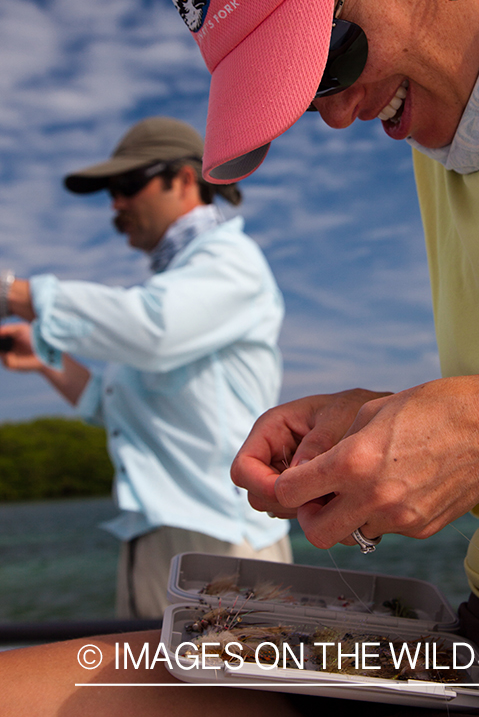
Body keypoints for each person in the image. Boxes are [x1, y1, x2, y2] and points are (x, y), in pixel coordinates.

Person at [2, 0, 479, 715]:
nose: (332, 113)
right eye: (300, 88)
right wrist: (398, 419)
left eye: (328, 54)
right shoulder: (440, 139)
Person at [0, 116, 290, 619]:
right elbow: (112, 406)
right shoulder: (181, 283)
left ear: (182, 178)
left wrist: (15, 294)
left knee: (225, 702)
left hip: (223, 548)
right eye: (111, 190)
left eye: (127, 184)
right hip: (155, 544)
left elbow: (153, 329)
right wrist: (47, 360)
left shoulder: (229, 261)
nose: (115, 203)